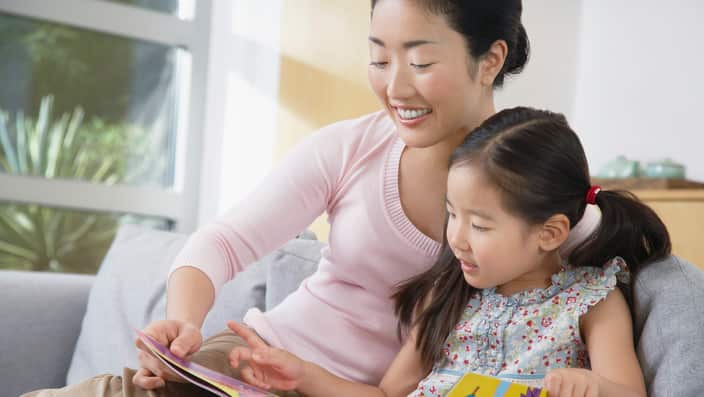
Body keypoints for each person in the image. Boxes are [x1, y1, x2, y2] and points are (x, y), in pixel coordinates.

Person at [23, 1, 596, 396]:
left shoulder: (534, 189)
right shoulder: (350, 148)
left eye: (420, 62)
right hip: (251, 366)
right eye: (379, 58)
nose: (395, 86)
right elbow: (222, 242)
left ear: (489, 60)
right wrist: (181, 324)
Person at [225, 107, 670, 397]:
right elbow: (386, 395)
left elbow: (630, 393)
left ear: (550, 233)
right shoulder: (450, 294)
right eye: (451, 214)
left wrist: (591, 386)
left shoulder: (590, 298)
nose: (456, 237)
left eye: (478, 225)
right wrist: (303, 374)